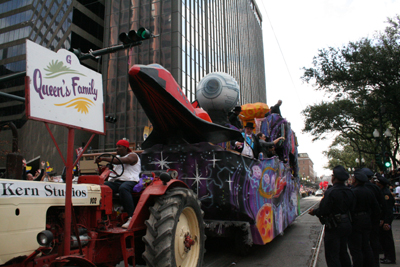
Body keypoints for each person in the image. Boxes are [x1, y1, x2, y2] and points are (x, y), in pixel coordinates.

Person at [309, 165, 355, 267]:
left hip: (334, 226)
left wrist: (314, 212)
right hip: (346, 224)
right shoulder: (350, 191)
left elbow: (324, 210)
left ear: (334, 177)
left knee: (332, 255)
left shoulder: (331, 192)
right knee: (343, 252)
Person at [95, 139, 141, 228]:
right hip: (117, 181)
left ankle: (131, 216)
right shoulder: (117, 159)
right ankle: (105, 215)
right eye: (116, 146)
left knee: (123, 188)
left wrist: (104, 158)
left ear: (125, 147)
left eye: (119, 147)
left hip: (131, 181)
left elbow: (123, 160)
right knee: (103, 187)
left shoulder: (133, 156)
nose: (117, 149)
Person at [348, 170, 380, 267]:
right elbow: (376, 208)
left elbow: (350, 207)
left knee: (356, 248)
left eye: (353, 178)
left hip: (356, 221)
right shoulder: (369, 191)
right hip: (367, 220)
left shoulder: (353, 192)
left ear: (355, 180)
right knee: (366, 246)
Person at [361, 167, 385, 267]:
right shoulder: (375, 188)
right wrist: (382, 218)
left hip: (362, 220)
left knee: (363, 244)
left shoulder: (359, 188)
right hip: (374, 219)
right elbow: (382, 204)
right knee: (374, 242)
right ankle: (375, 263)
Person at [375, 176, 396, 264]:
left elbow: (387, 210)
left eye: (377, 182)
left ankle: (390, 257)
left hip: (386, 220)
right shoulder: (382, 192)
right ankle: (386, 256)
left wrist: (386, 221)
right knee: (383, 239)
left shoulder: (385, 194)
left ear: (380, 183)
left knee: (387, 240)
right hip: (383, 219)